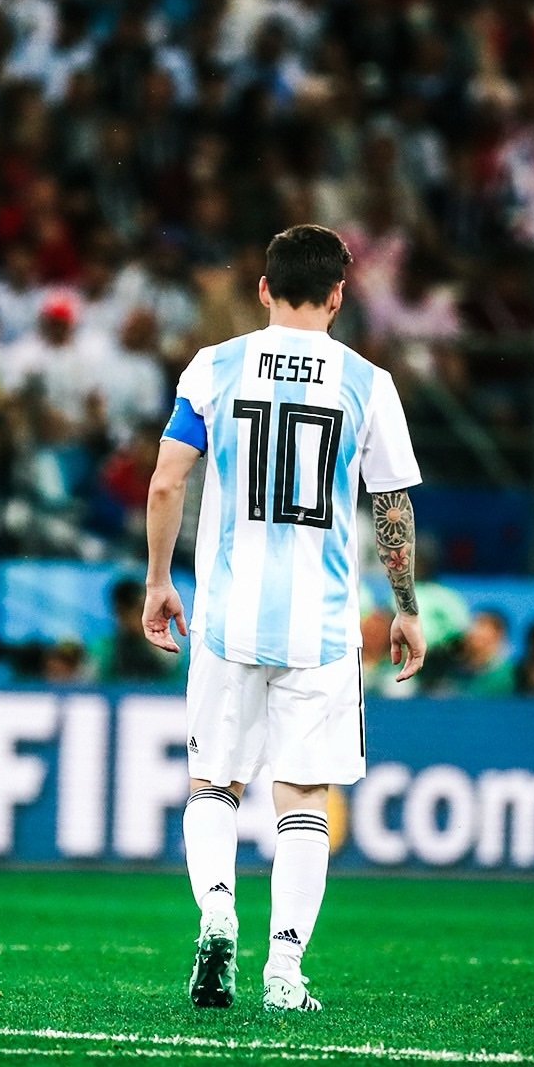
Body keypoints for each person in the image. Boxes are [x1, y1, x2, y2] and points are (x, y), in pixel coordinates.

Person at [142, 224, 426, 1013]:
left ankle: (217, 913)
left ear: (263, 289)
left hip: (226, 618)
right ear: (339, 296)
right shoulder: (369, 383)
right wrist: (405, 608)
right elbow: (391, 506)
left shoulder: (214, 367)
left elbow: (166, 483)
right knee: (303, 800)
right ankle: (284, 973)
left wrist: (159, 580)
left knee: (214, 784)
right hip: (322, 628)